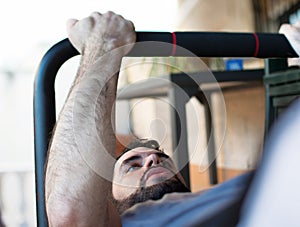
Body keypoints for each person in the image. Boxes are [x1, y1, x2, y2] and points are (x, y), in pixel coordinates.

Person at [45, 11, 300, 226]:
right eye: (132, 165)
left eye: (162, 158)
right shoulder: (129, 221)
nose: (153, 158)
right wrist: (104, 46)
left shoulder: (219, 198)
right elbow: (71, 213)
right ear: (106, 199)